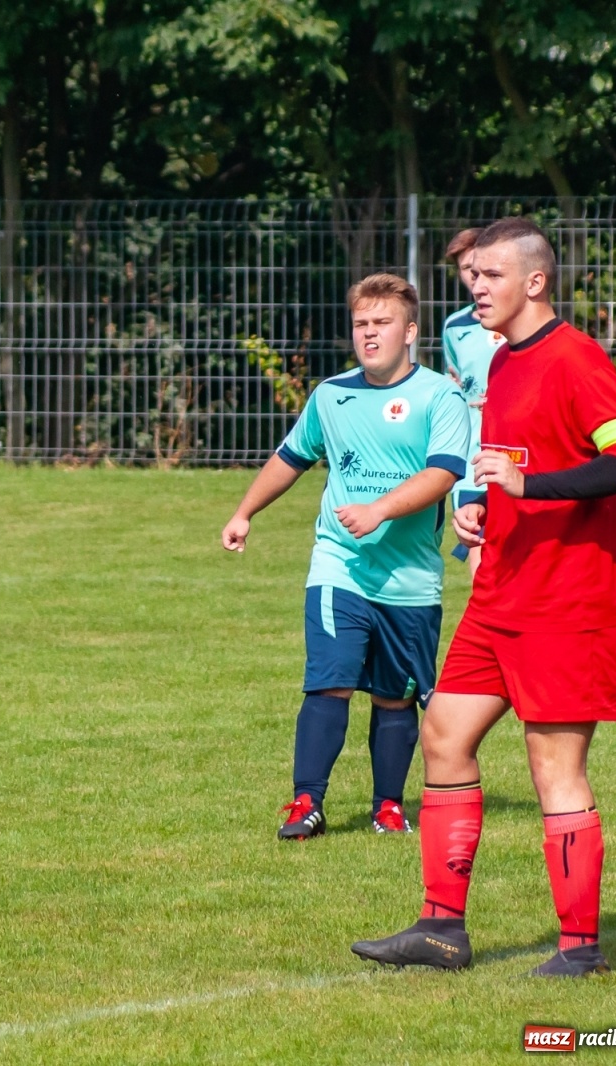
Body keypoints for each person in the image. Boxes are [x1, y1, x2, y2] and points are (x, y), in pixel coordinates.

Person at [352, 217, 616, 978]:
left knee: (555, 768)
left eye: (489, 276)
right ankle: (441, 929)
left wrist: (530, 487)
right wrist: (483, 505)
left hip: (568, 601)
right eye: (471, 276)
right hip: (499, 593)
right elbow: (512, 463)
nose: (474, 287)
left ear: (535, 282)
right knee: (444, 736)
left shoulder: (576, 359)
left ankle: (581, 950)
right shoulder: (503, 362)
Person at [222, 274, 469, 840]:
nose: (369, 334)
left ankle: (387, 806)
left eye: (382, 323)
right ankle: (305, 803)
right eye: (361, 324)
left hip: (411, 579)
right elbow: (292, 456)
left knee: (395, 696)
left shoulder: (440, 396)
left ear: (410, 331)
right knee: (328, 681)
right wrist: (244, 512)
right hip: (340, 567)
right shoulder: (331, 395)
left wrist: (380, 508)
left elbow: (444, 472)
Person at [440, 228, 505, 581]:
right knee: (480, 558)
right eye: (467, 269)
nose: (474, 276)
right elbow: (452, 378)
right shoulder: (454, 327)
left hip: (516, 450)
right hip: (471, 455)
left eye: (480, 268)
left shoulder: (518, 320)